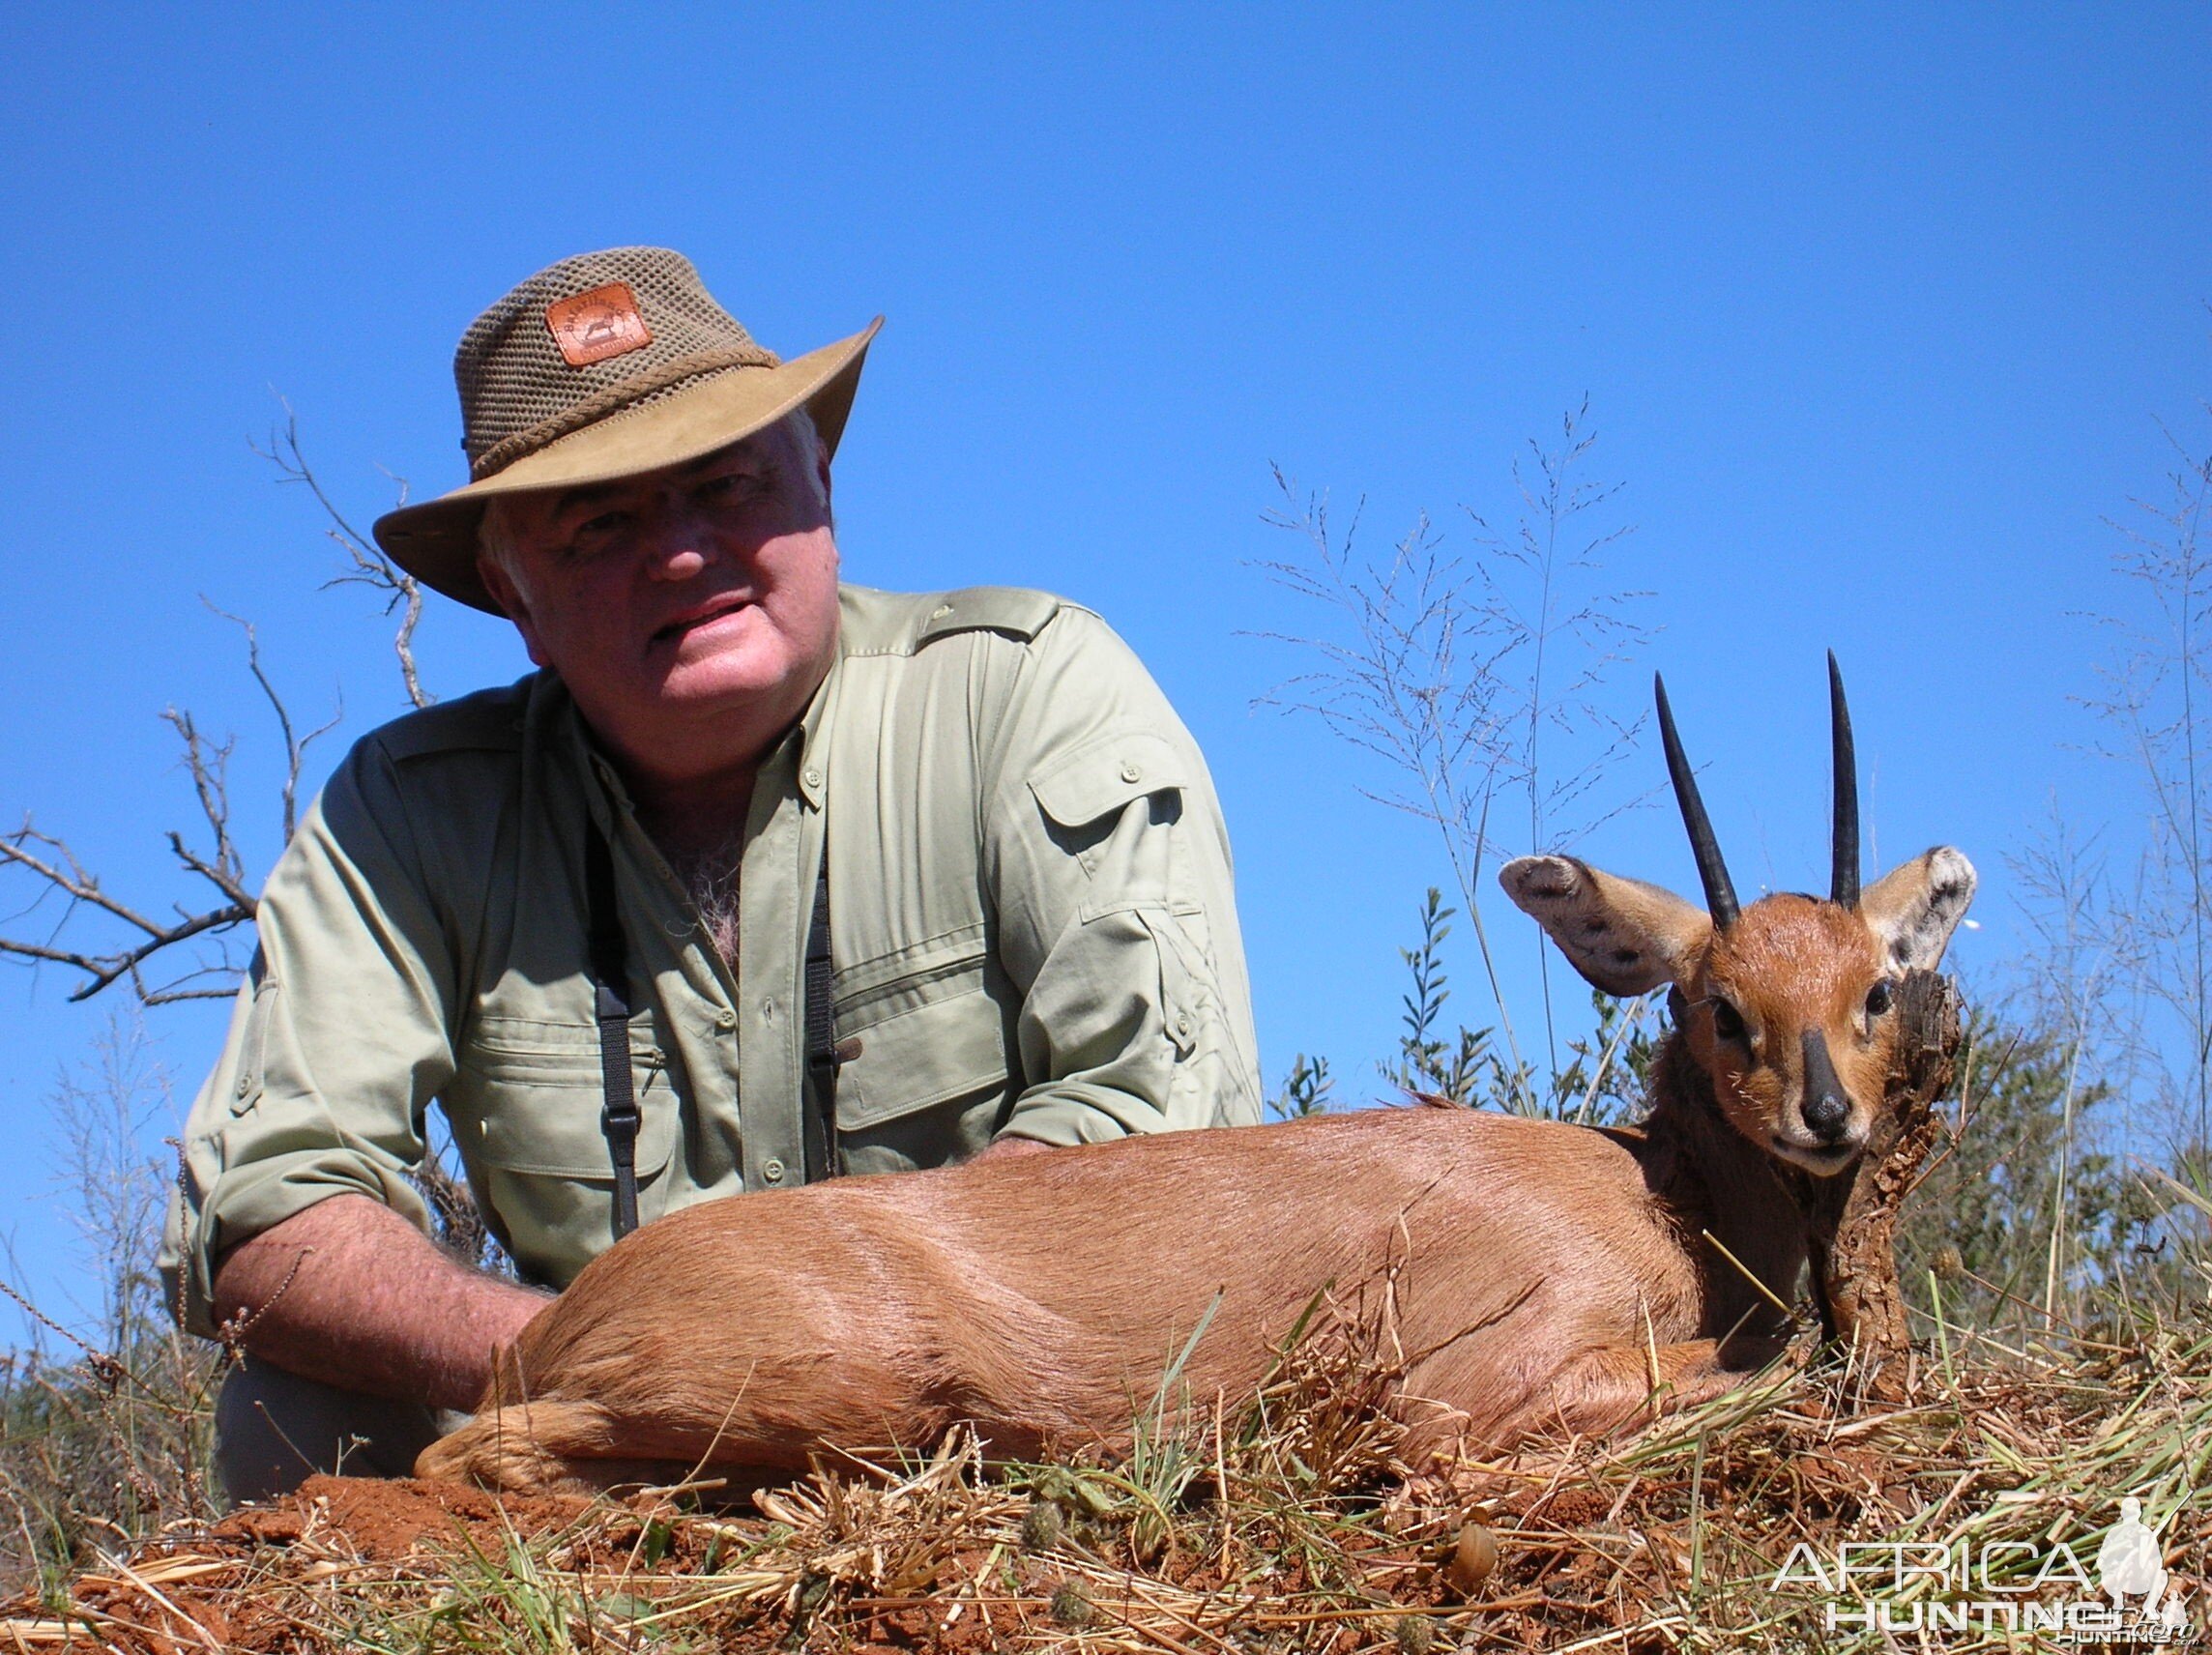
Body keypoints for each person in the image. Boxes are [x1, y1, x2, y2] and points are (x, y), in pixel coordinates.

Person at [160, 247, 1264, 1502]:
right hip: (608, 1455)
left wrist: (811, 1370)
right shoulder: (410, 816)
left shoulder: (1030, 690)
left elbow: (1164, 1152)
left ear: (821, 486)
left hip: (1007, 1439)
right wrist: (615, 1370)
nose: (682, 553)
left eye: (726, 482)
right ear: (512, 593)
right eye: (601, 521)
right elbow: (267, 1215)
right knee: (293, 1396)